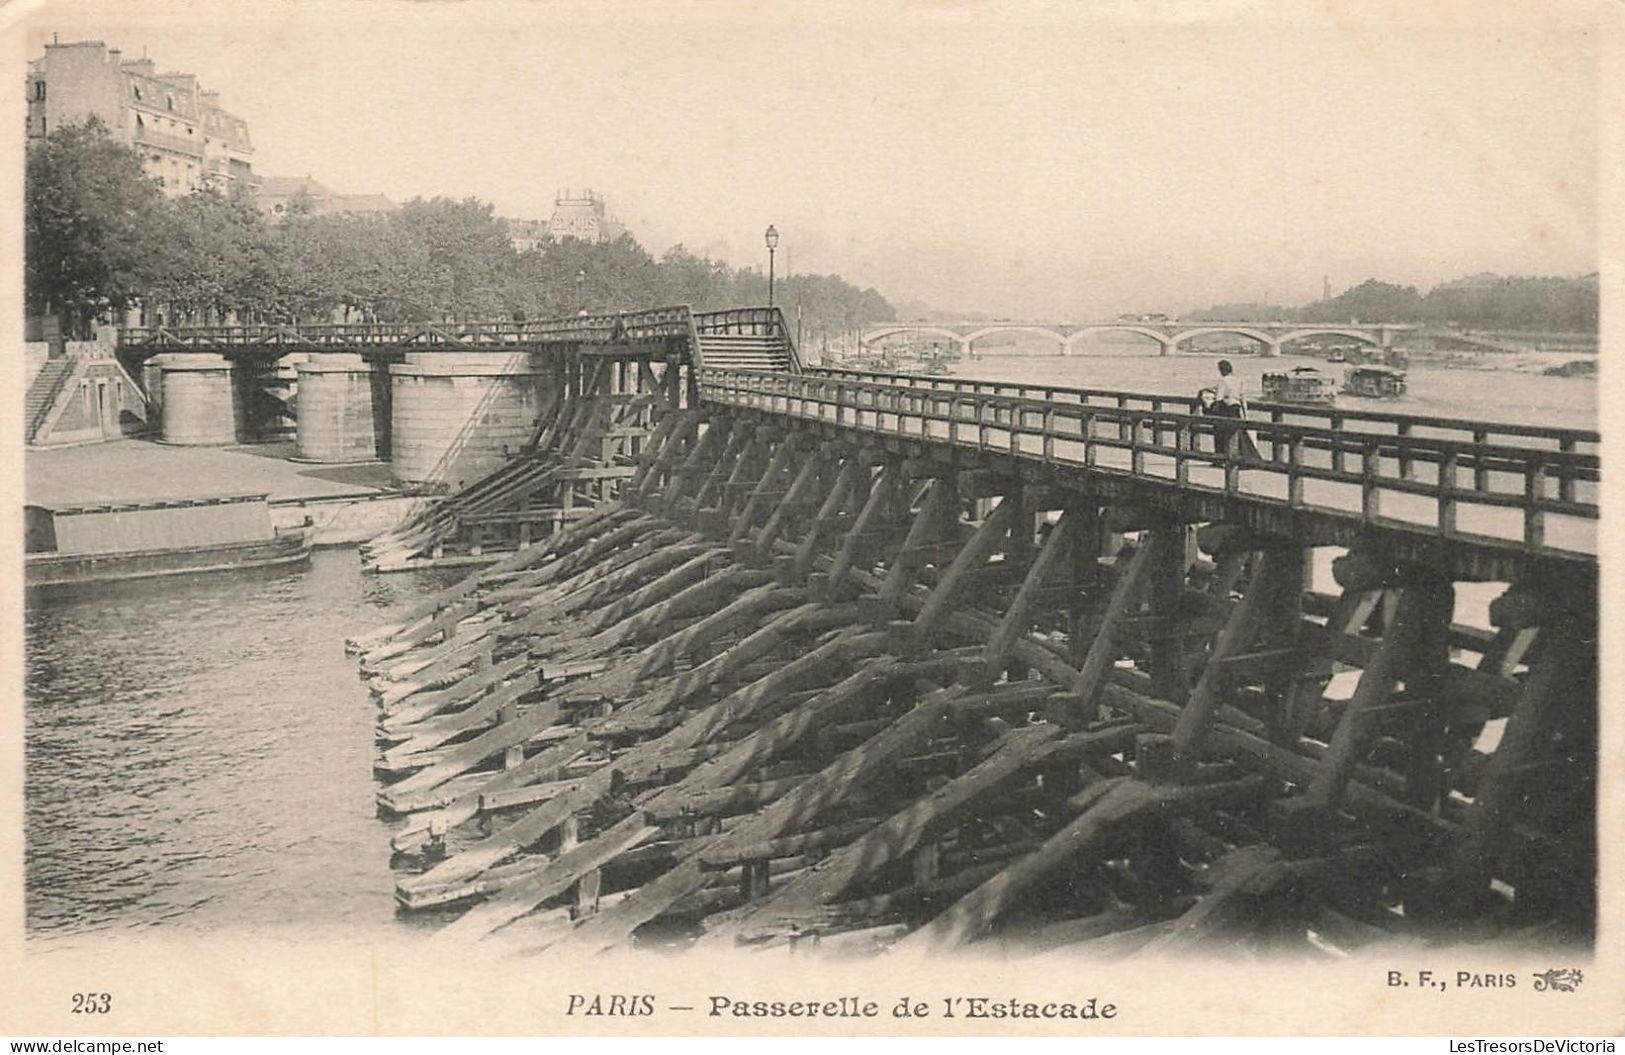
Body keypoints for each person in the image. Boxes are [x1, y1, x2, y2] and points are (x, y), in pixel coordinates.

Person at [1205, 360, 1260, 461]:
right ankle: (1241, 457)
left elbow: (1219, 398)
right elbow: (1243, 398)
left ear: (1222, 370)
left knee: (1221, 434)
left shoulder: (1223, 380)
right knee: (1237, 433)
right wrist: (1245, 413)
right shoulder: (1238, 381)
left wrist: (1212, 410)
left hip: (1225, 408)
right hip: (1236, 408)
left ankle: (1220, 458)